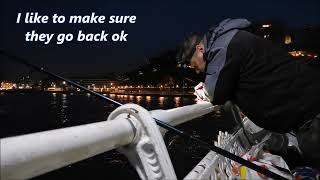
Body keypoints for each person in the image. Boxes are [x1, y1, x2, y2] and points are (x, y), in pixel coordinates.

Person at [177, 18, 320, 169]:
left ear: (200, 49)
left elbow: (215, 94)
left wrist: (203, 91)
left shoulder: (223, 47)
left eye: (194, 65)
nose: (197, 71)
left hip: (310, 114)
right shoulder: (231, 41)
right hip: (305, 111)